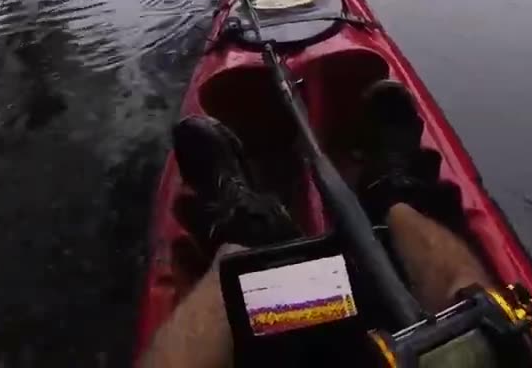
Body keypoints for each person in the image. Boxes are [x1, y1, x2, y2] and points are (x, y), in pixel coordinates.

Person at [139, 81, 496, 368]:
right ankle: (390, 201)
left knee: (232, 264)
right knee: (496, 328)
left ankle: (253, 244)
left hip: (284, 321)